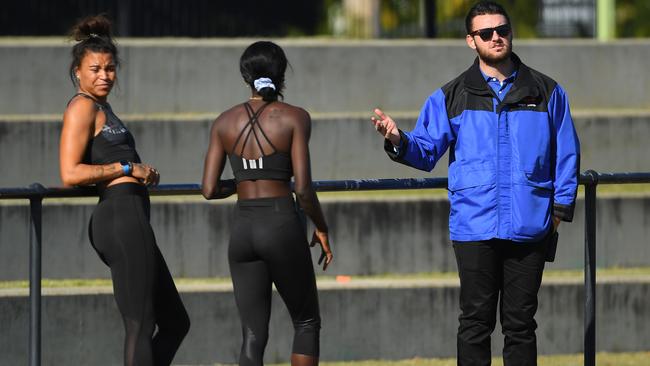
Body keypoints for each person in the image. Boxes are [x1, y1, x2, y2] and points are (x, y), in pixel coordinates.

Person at [371, 2, 580, 365]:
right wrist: (397, 140)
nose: (496, 37)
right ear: (471, 41)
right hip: (474, 228)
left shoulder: (547, 92)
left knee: (520, 326)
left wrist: (558, 213)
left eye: (503, 30)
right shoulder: (451, 95)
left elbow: (567, 155)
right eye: (486, 33)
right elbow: (424, 151)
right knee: (474, 324)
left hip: (530, 229)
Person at [59, 15, 189, 366]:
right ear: (78, 72)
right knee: (140, 323)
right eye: (95, 69)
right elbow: (69, 173)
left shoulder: (104, 107)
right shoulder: (81, 106)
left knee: (176, 321)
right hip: (118, 217)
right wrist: (128, 168)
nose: (104, 76)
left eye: (110, 68)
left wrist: (144, 174)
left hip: (133, 215)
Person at [201, 41, 333, 366]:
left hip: (243, 228)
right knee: (305, 322)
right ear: (282, 73)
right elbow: (302, 188)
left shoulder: (223, 122)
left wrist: (242, 183)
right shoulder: (295, 118)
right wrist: (322, 227)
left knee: (252, 334)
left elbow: (208, 189)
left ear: (246, 75)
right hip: (281, 223)